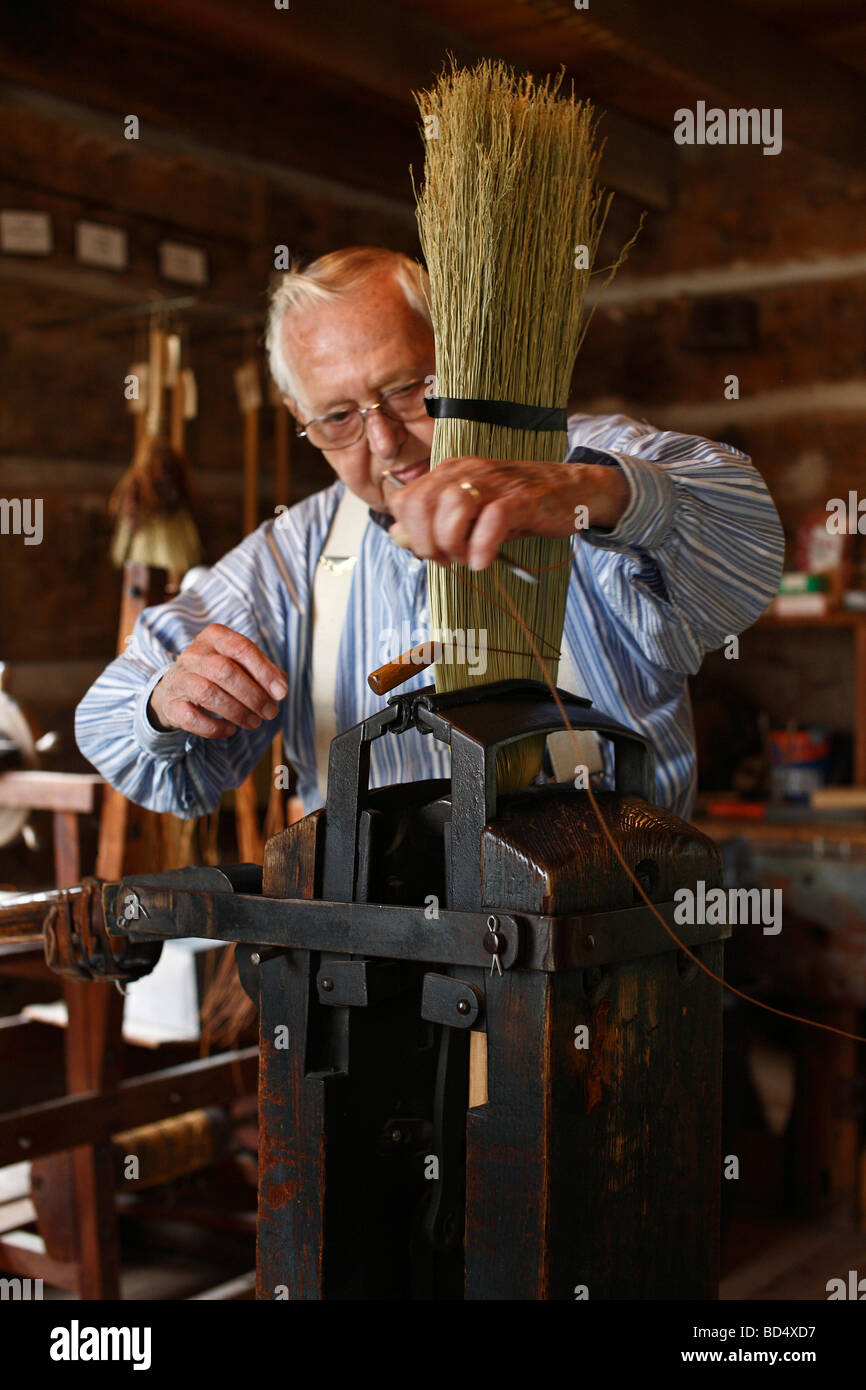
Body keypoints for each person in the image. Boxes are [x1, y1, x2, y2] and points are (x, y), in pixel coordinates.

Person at [75, 246, 784, 820]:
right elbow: (110, 720)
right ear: (300, 414)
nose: (385, 442)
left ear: (457, 352)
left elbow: (748, 541)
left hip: (602, 955)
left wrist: (587, 491)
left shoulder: (574, 461)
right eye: (338, 418)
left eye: (409, 387)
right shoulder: (300, 550)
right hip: (374, 971)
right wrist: (166, 702)